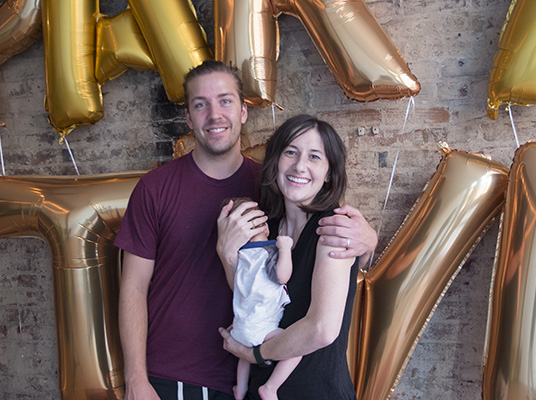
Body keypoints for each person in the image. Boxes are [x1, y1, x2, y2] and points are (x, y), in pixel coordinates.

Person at [115, 61, 377, 400]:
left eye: (225, 101)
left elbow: (318, 284)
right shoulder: (156, 188)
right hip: (178, 375)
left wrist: (369, 242)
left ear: (243, 111)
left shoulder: (273, 191)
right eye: (200, 104)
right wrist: (136, 379)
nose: (214, 114)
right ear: (188, 117)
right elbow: (133, 288)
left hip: (250, 377)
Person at [218, 114, 360, 399]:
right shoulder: (265, 226)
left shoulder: (333, 227)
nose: (299, 166)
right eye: (291, 152)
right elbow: (252, 294)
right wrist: (226, 254)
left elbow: (321, 330)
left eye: (315, 157)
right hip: (257, 391)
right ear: (275, 161)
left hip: (317, 391)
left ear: (330, 172)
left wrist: (254, 352)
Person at [222, 197, 301, 400]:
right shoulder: (269, 251)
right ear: (263, 225)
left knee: (244, 356)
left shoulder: (241, 256)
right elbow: (282, 276)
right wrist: (284, 249)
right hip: (263, 329)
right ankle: (271, 388)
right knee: (296, 348)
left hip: (239, 329)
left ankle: (240, 389)